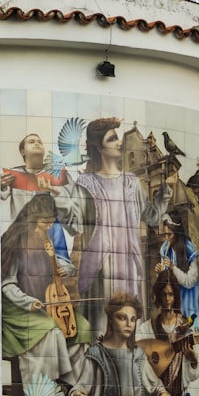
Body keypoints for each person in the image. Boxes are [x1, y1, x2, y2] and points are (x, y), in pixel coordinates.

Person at [72, 118, 172, 305]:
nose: (119, 143)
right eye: (112, 139)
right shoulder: (85, 184)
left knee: (128, 322)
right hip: (99, 270)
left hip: (129, 269)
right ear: (99, 148)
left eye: (117, 138)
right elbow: (72, 220)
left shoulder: (131, 182)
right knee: (101, 327)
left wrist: (164, 193)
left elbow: (152, 217)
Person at [2, 195, 93, 390]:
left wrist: (65, 269)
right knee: (51, 331)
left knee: (83, 327)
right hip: (17, 307)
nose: (49, 226)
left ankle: (74, 385)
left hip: (48, 302)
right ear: (32, 218)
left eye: (52, 221)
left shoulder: (46, 237)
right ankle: (46, 386)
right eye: (45, 222)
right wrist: (27, 302)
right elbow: (7, 284)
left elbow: (59, 262)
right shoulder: (15, 241)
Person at [0, 133, 80, 270]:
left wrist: (53, 190)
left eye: (40, 142)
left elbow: (72, 206)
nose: (37, 143)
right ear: (23, 151)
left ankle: (62, 262)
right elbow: (1, 196)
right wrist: (2, 185)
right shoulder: (13, 175)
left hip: (51, 234)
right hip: (24, 235)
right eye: (31, 141)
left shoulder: (57, 174)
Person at [155, 206, 199, 326]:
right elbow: (166, 279)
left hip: (187, 301)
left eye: (169, 235)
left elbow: (190, 281)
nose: (166, 238)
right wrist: (160, 273)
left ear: (177, 233)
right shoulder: (164, 248)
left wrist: (172, 267)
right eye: (165, 234)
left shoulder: (189, 250)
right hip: (172, 303)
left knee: (187, 333)